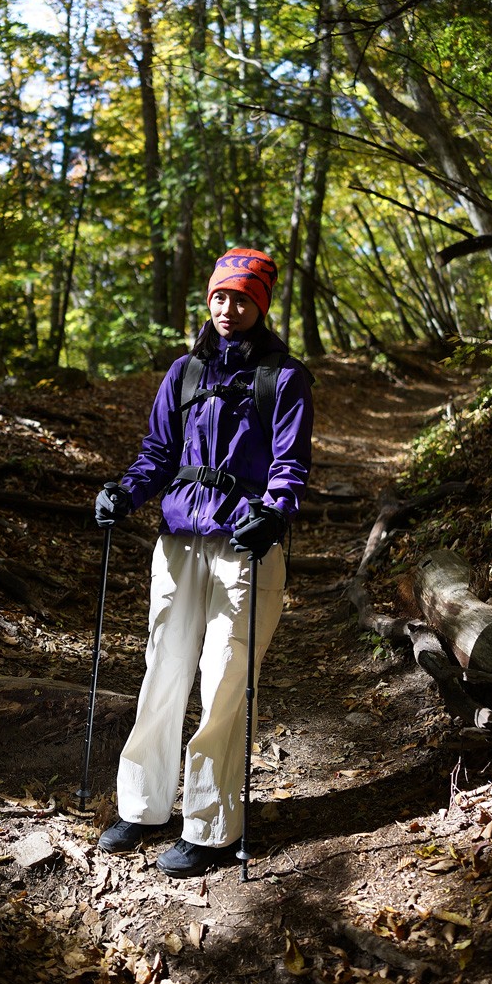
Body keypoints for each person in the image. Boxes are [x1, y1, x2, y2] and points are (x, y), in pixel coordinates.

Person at [93, 247, 314, 878]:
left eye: (242, 298)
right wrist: (123, 493)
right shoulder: (185, 373)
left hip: (246, 548)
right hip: (178, 542)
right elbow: (157, 453)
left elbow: (290, 466)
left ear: (260, 304)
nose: (228, 308)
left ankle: (212, 827)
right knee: (162, 669)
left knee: (223, 679)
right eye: (220, 296)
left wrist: (273, 514)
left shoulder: (284, 377)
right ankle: (142, 805)